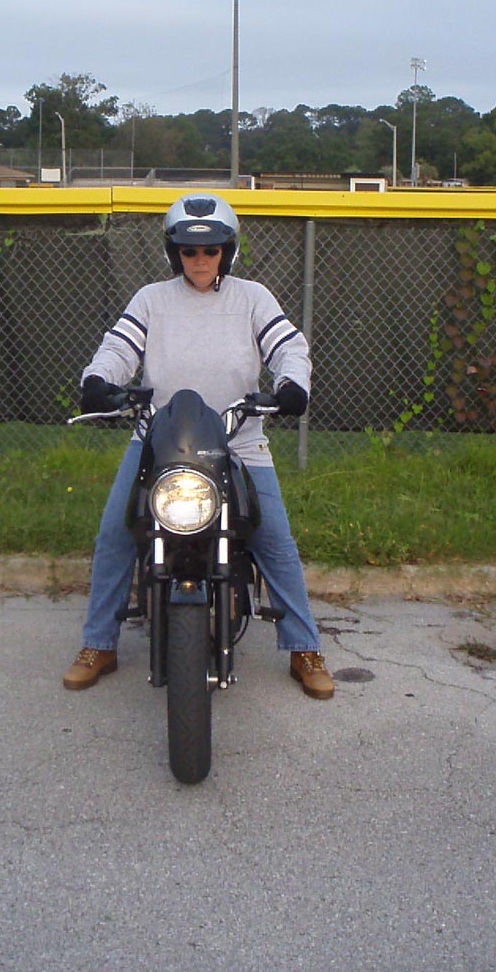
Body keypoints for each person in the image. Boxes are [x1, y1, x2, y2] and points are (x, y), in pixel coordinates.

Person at [63, 193, 334, 700]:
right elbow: (119, 346)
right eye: (189, 251)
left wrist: (292, 384)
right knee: (117, 533)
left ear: (227, 252)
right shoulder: (151, 299)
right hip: (159, 439)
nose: (201, 260)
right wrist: (100, 379)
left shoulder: (253, 298)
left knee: (274, 539)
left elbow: (288, 346)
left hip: (239, 439)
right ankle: (98, 642)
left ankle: (305, 647)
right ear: (175, 253)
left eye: (211, 251)